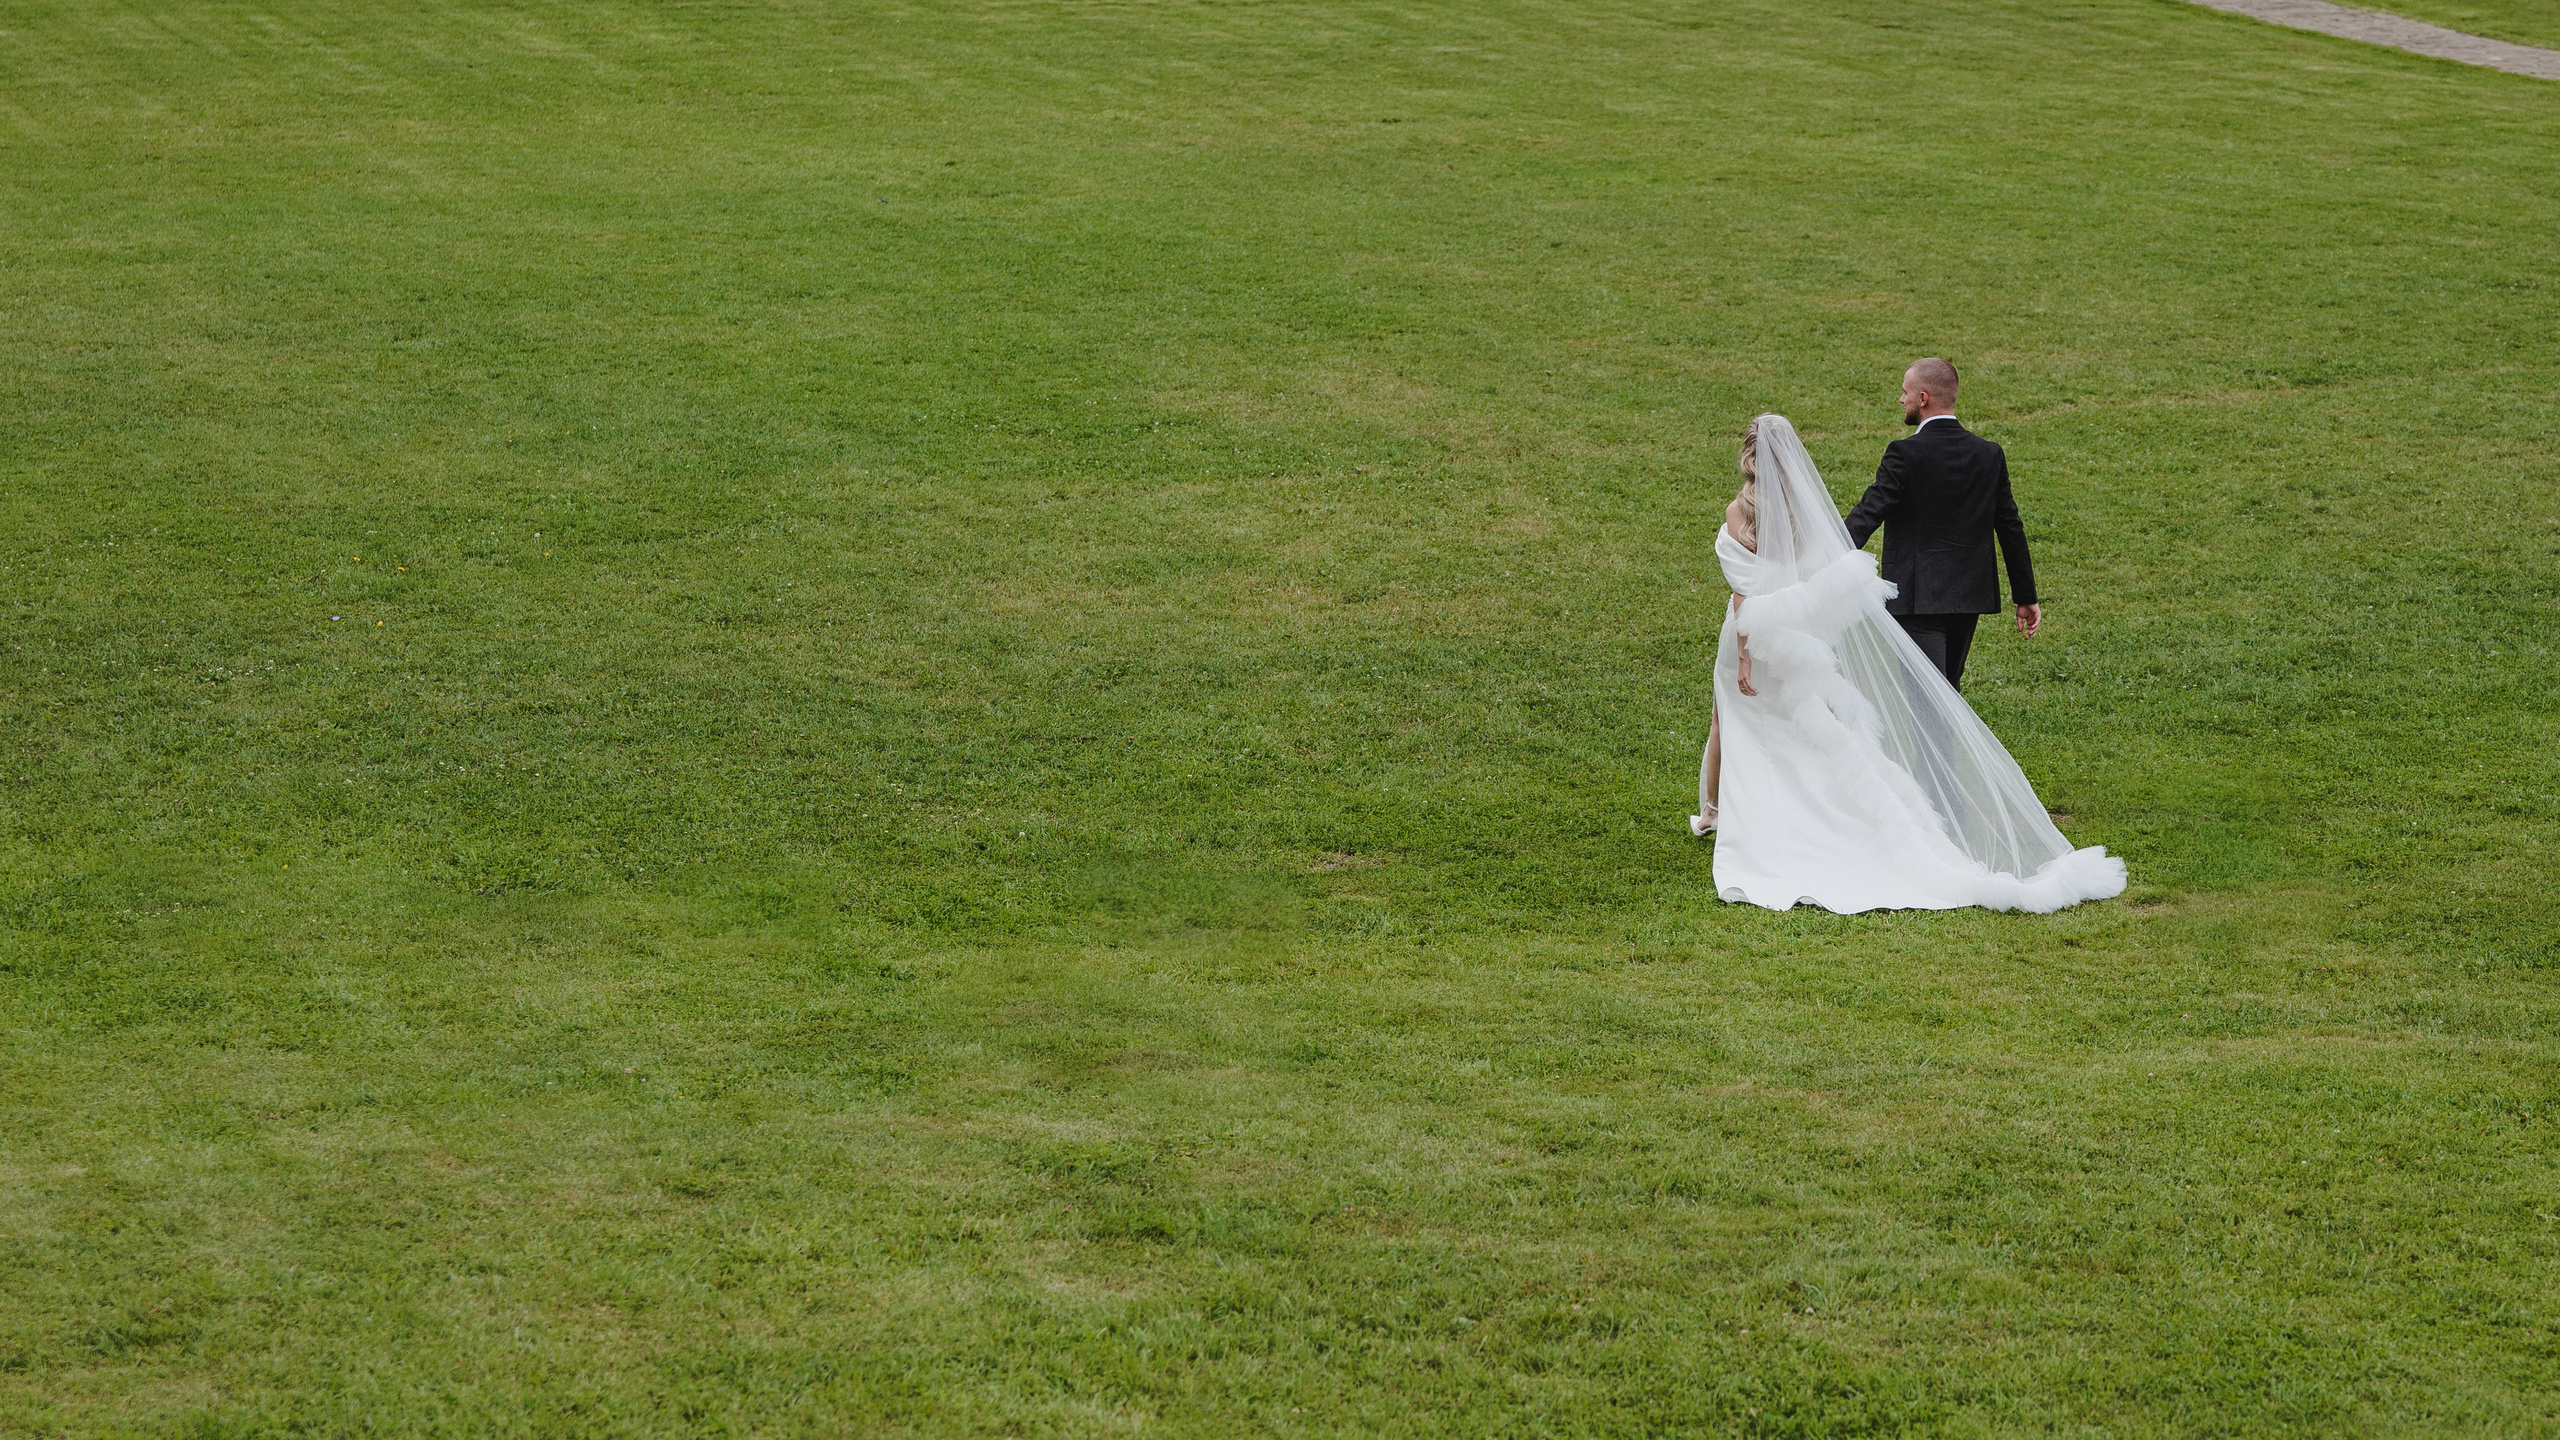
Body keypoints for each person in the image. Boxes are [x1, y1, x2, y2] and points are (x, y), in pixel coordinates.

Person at [1690, 415, 2123, 914]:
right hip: (1798, 640)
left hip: (1752, 637)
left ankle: (1718, 814)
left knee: (1730, 720)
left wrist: (1746, 656)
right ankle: (1766, 811)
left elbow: (1745, 595)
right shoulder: (1805, 515)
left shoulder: (1737, 512)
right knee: (1797, 728)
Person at [1842, 358, 2038, 690]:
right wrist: (2026, 596)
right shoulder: (1988, 454)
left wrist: (1825, 553)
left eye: (1904, 392)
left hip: (1917, 596)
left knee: (1928, 699)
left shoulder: (1904, 454)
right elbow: (2009, 526)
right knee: (1947, 689)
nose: (1900, 400)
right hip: (1967, 596)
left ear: (1923, 398)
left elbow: (1868, 514)